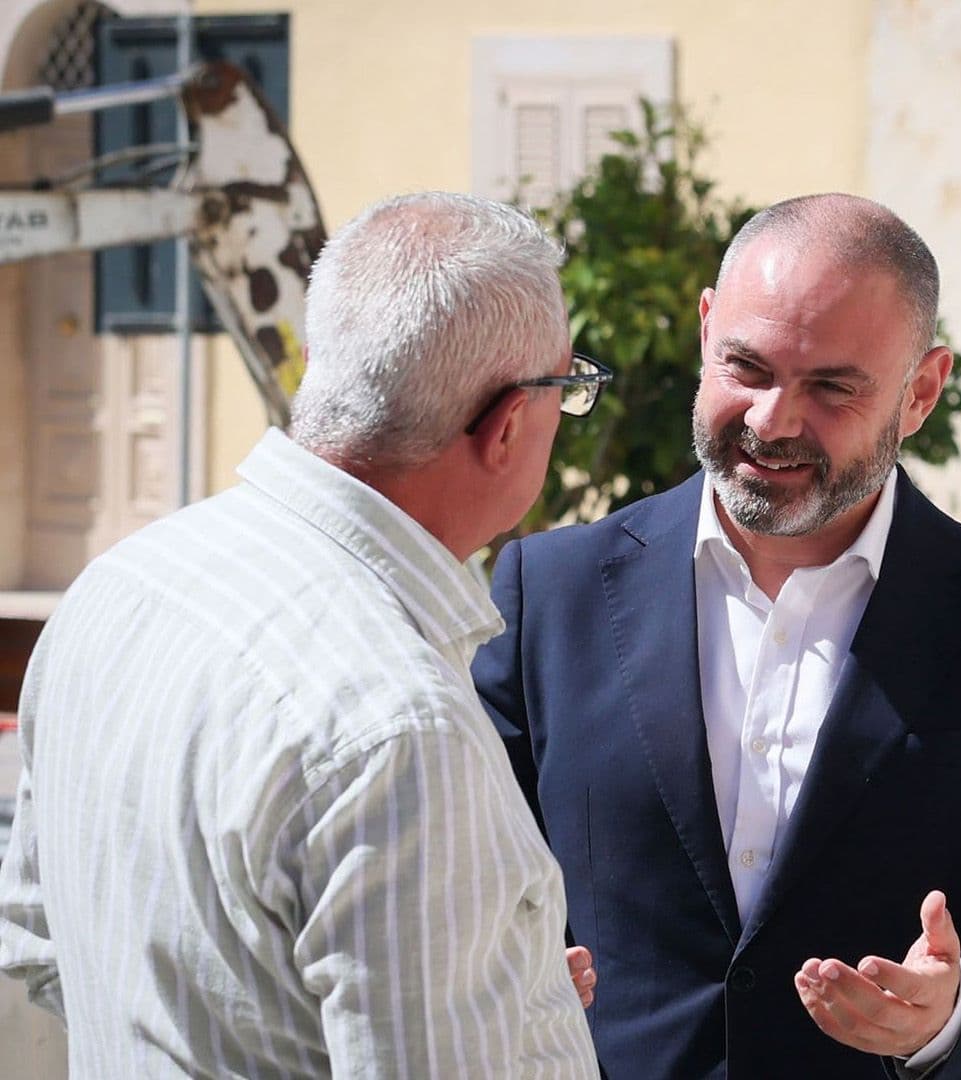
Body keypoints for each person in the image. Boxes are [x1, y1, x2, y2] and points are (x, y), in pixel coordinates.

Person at [474, 192, 961, 1079]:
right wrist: (496, 970)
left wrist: (952, 1013)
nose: (772, 420)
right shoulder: (548, 594)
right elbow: (463, 869)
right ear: (707, 330)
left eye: (831, 386)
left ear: (922, 392)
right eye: (747, 367)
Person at [0, 192, 610, 1077]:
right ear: (511, 422)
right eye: (572, 388)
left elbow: (40, 936)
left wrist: (493, 992)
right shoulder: (399, 728)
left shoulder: (121, 584)